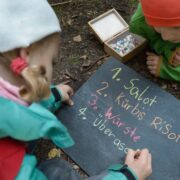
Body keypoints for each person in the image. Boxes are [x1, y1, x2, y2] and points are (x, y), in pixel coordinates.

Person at [0, 0, 152, 180]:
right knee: (60, 172)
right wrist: (127, 176)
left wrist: (51, 96)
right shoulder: (13, 169)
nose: (52, 68)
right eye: (52, 61)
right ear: (26, 56)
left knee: (57, 168)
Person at [130, 0, 180, 82]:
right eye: (158, 30)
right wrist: (170, 51)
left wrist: (168, 70)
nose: (165, 37)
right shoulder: (138, 25)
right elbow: (156, 41)